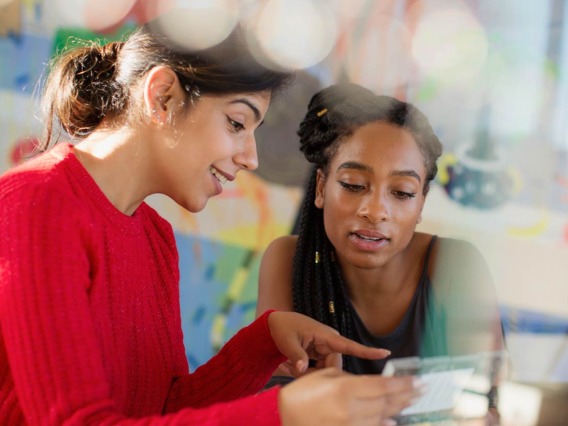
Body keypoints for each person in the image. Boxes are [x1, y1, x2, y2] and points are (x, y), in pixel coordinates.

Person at [0, 20, 424, 426]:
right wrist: (284, 414)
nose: (250, 157)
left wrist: (262, 343)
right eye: (237, 123)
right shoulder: (37, 203)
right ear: (162, 96)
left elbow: (161, 411)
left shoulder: (154, 237)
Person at [256, 83, 506, 415]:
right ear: (320, 187)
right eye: (354, 185)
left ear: (421, 205)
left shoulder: (455, 265)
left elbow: (481, 404)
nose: (375, 211)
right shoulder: (287, 261)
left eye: (402, 192)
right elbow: (271, 408)